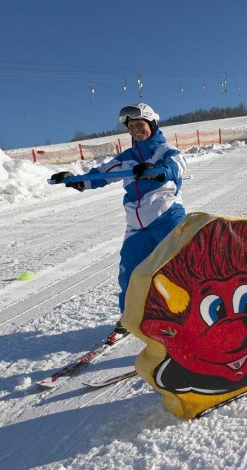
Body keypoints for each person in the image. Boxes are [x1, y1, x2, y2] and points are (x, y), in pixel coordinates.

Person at [50, 103, 187, 344]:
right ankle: (130, 318)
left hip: (166, 218)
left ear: (151, 125)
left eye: (140, 125)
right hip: (137, 226)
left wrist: (157, 171)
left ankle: (188, 315)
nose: (135, 130)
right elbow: (100, 174)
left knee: (177, 270)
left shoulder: (165, 150)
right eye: (131, 126)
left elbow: (177, 165)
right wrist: (75, 180)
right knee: (130, 275)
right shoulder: (127, 158)